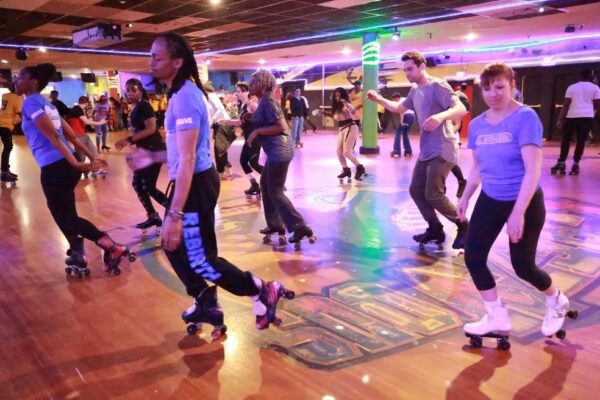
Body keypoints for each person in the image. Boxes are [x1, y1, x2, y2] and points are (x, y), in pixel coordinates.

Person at [127, 32, 293, 334]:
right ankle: (206, 300)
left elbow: (189, 159)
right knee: (175, 248)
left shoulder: (187, 97)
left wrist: (175, 215)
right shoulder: (178, 94)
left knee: (200, 259)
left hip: (195, 185)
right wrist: (153, 158)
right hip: (191, 182)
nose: (150, 61)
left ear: (177, 62)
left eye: (157, 56)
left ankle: (262, 290)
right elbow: (183, 151)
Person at [457, 62, 572, 338]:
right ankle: (496, 316)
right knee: (473, 257)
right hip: (491, 198)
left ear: (512, 86)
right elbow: (478, 167)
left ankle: (556, 299)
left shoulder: (525, 118)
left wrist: (518, 212)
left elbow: (533, 170)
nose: (493, 93)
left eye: (499, 87)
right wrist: (465, 196)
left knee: (523, 267)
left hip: (525, 201)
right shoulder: (478, 125)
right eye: (487, 88)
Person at [15, 63, 133, 275]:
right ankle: (78, 249)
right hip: (65, 166)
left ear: (33, 82)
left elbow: (53, 136)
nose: (16, 80)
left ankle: (111, 247)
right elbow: (69, 135)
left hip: (56, 167)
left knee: (66, 216)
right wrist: (89, 156)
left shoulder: (31, 103)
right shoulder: (47, 105)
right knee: (63, 212)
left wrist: (76, 162)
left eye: (20, 77)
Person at [367, 50, 468, 249]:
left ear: (422, 66)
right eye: (405, 70)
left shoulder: (437, 85)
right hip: (426, 150)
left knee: (433, 193)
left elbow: (461, 109)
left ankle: (464, 225)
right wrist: (378, 99)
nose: (408, 73)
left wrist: (441, 117)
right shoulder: (415, 90)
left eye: (411, 69)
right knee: (415, 190)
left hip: (443, 148)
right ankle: (435, 228)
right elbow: (399, 108)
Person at [246, 69, 315, 245]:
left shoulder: (267, 101)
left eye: (254, 82)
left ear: (262, 84)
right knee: (264, 184)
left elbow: (281, 126)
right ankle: (275, 224)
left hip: (279, 151)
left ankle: (300, 226)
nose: (250, 85)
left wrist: (257, 131)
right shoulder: (263, 102)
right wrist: (251, 118)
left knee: (275, 190)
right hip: (276, 151)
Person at [115, 78, 167, 232]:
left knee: (148, 187)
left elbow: (151, 129)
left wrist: (129, 139)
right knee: (138, 184)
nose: (130, 93)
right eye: (127, 90)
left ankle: (176, 213)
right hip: (144, 152)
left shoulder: (144, 106)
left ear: (140, 90)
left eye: (133, 90)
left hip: (153, 151)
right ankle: (152, 215)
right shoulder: (136, 107)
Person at [552, 68, 600, 175]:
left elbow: (566, 105)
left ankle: (561, 162)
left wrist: (560, 119)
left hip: (571, 116)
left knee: (566, 140)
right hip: (587, 117)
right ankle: (575, 164)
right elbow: (597, 105)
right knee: (581, 141)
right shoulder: (595, 88)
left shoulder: (572, 87)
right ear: (591, 76)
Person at [223, 82, 263, 197]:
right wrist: (228, 121)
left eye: (240, 91)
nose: (237, 93)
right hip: (248, 139)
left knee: (254, 163)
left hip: (255, 139)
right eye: (237, 91)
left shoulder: (251, 105)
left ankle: (274, 181)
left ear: (247, 92)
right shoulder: (243, 106)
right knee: (243, 161)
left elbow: (263, 117)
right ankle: (254, 185)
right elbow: (241, 122)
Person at [330, 87, 367, 182]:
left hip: (350, 127)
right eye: (336, 96)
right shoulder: (336, 107)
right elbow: (337, 117)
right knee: (338, 151)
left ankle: (360, 168)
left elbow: (354, 112)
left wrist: (345, 103)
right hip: (342, 129)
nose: (338, 98)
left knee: (346, 152)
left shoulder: (345, 105)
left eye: (339, 96)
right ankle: (346, 169)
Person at [66, 96, 107, 177]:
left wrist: (95, 121)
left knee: (94, 152)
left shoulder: (80, 110)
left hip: (83, 135)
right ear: (87, 103)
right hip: (78, 137)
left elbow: (87, 123)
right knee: (81, 156)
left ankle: (95, 170)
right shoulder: (77, 109)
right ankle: (82, 172)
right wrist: (100, 123)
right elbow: (87, 122)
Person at [0, 83, 23, 183]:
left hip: (1, 121)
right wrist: (14, 123)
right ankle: (4, 172)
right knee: (8, 147)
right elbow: (19, 112)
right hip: (6, 124)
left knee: (7, 146)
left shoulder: (5, 95)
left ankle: (5, 170)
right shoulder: (18, 97)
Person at [390, 92, 414, 158]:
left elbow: (402, 113)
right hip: (412, 116)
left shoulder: (399, 102)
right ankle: (408, 151)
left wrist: (401, 122)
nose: (394, 102)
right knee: (405, 134)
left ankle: (396, 152)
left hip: (406, 116)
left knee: (398, 132)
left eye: (394, 100)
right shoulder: (405, 99)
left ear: (397, 98)